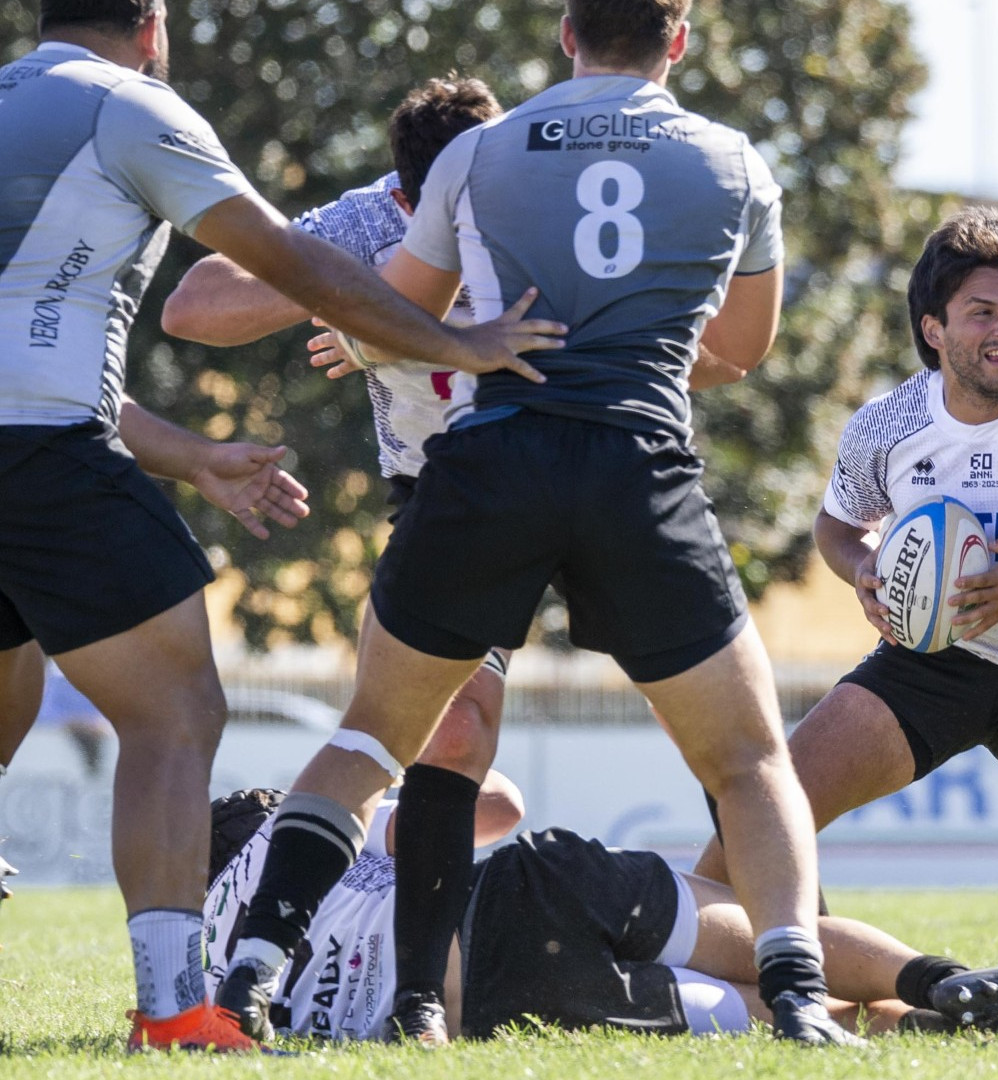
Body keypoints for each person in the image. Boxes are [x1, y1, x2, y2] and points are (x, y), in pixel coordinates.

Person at [211, 0, 848, 1047]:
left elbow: (401, 308)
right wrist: (625, 356)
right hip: (635, 465)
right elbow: (742, 348)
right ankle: (800, 999)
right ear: (679, 40)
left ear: (565, 32)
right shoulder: (734, 160)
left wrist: (421, 343)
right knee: (748, 760)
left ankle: (247, 978)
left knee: (371, 738)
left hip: (491, 464)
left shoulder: (480, 152)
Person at [0, 0, 557, 1052]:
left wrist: (196, 455)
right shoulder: (132, 106)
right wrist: (434, 331)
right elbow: (269, 268)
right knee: (178, 712)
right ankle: (183, 1008)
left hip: (42, 438)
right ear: (152, 24)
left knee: (4, 711)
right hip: (49, 457)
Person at [692, 207, 998, 964]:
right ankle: (746, 974)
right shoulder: (886, 425)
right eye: (982, 312)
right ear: (933, 329)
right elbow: (836, 527)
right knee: (760, 814)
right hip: (928, 659)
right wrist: (864, 569)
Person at [161, 76, 518, 1040]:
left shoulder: (540, 194)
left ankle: (784, 947)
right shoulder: (365, 218)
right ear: (405, 198)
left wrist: (386, 324)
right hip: (446, 493)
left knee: (715, 721)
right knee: (451, 732)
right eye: (443, 205)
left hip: (576, 474)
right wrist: (348, 289)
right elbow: (193, 307)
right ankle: (401, 1000)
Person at [204, 782, 998, 1042]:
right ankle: (947, 982)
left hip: (496, 997)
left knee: (769, 1017)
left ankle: (947, 1026)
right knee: (771, 939)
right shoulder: (298, 830)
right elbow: (496, 808)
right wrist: (409, 778)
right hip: (528, 888)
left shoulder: (212, 981)